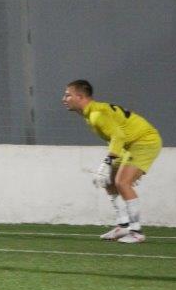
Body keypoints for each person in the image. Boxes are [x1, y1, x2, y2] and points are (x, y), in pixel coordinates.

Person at [61, 79, 162, 243]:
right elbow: (118, 136)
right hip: (128, 144)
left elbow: (118, 136)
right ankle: (123, 226)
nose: (64, 99)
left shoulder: (96, 115)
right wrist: (113, 163)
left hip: (144, 141)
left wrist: (108, 161)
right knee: (109, 181)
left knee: (122, 182)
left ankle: (136, 231)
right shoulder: (91, 113)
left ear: (80, 97)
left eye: (67, 95)